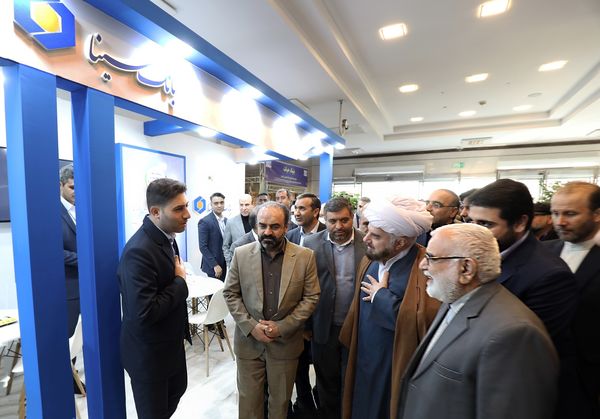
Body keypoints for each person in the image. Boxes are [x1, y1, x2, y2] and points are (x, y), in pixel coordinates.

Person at [398, 223, 559, 419]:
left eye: (431, 258)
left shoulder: (514, 334)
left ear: (466, 268)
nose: (422, 265)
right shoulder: (454, 298)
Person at [468, 178, 578, 419]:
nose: (474, 233)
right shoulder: (476, 255)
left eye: (485, 224)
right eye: (471, 222)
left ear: (519, 223)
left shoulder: (549, 276)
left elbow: (522, 351)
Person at [339, 198, 440, 419]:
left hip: (393, 364)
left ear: (400, 242)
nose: (365, 238)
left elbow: (425, 323)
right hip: (363, 356)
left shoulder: (425, 268)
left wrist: (382, 297)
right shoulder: (371, 260)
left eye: (375, 236)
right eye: (367, 230)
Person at [223, 202, 320, 419]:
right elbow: (230, 293)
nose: (267, 232)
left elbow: (311, 297)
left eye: (275, 226)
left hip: (285, 344)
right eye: (262, 226)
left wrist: (282, 327)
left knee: (280, 404)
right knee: (249, 404)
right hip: (249, 344)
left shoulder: (305, 256)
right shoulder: (240, 254)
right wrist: (251, 326)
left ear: (286, 227)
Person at [117, 178, 192, 419]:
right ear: (156, 212)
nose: (187, 214)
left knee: (175, 394)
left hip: (169, 347)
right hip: (149, 356)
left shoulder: (167, 236)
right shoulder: (139, 251)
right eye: (179, 209)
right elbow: (144, 312)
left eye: (186, 205)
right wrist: (180, 282)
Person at [303, 197, 367, 419]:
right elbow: (303, 288)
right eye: (332, 221)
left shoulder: (367, 243)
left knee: (352, 381)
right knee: (326, 381)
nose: (338, 226)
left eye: (344, 220)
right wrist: (306, 325)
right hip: (323, 327)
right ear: (324, 219)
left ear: (352, 218)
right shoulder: (310, 244)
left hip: (357, 328)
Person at [546, 181, 600, 417]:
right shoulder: (543, 251)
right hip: (545, 366)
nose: (560, 222)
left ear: (597, 215)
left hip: (588, 377)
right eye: (555, 213)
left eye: (570, 214)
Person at [59, 164, 80, 339]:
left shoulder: (87, 208)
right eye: (72, 187)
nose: (76, 192)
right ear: (61, 185)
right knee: (69, 338)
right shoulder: (51, 212)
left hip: (92, 286)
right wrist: (85, 261)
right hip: (70, 289)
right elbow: (54, 252)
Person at [198, 192, 227, 280]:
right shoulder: (205, 221)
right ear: (211, 205)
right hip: (213, 266)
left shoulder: (227, 221)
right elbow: (203, 247)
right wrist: (215, 265)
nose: (219, 205)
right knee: (215, 288)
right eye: (216, 203)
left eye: (221, 202)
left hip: (225, 263)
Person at [223, 194, 254, 266]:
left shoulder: (258, 220)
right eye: (241, 205)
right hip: (238, 264)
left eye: (247, 205)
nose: (244, 208)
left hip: (256, 263)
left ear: (252, 204)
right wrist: (230, 263)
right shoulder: (231, 222)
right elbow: (226, 245)